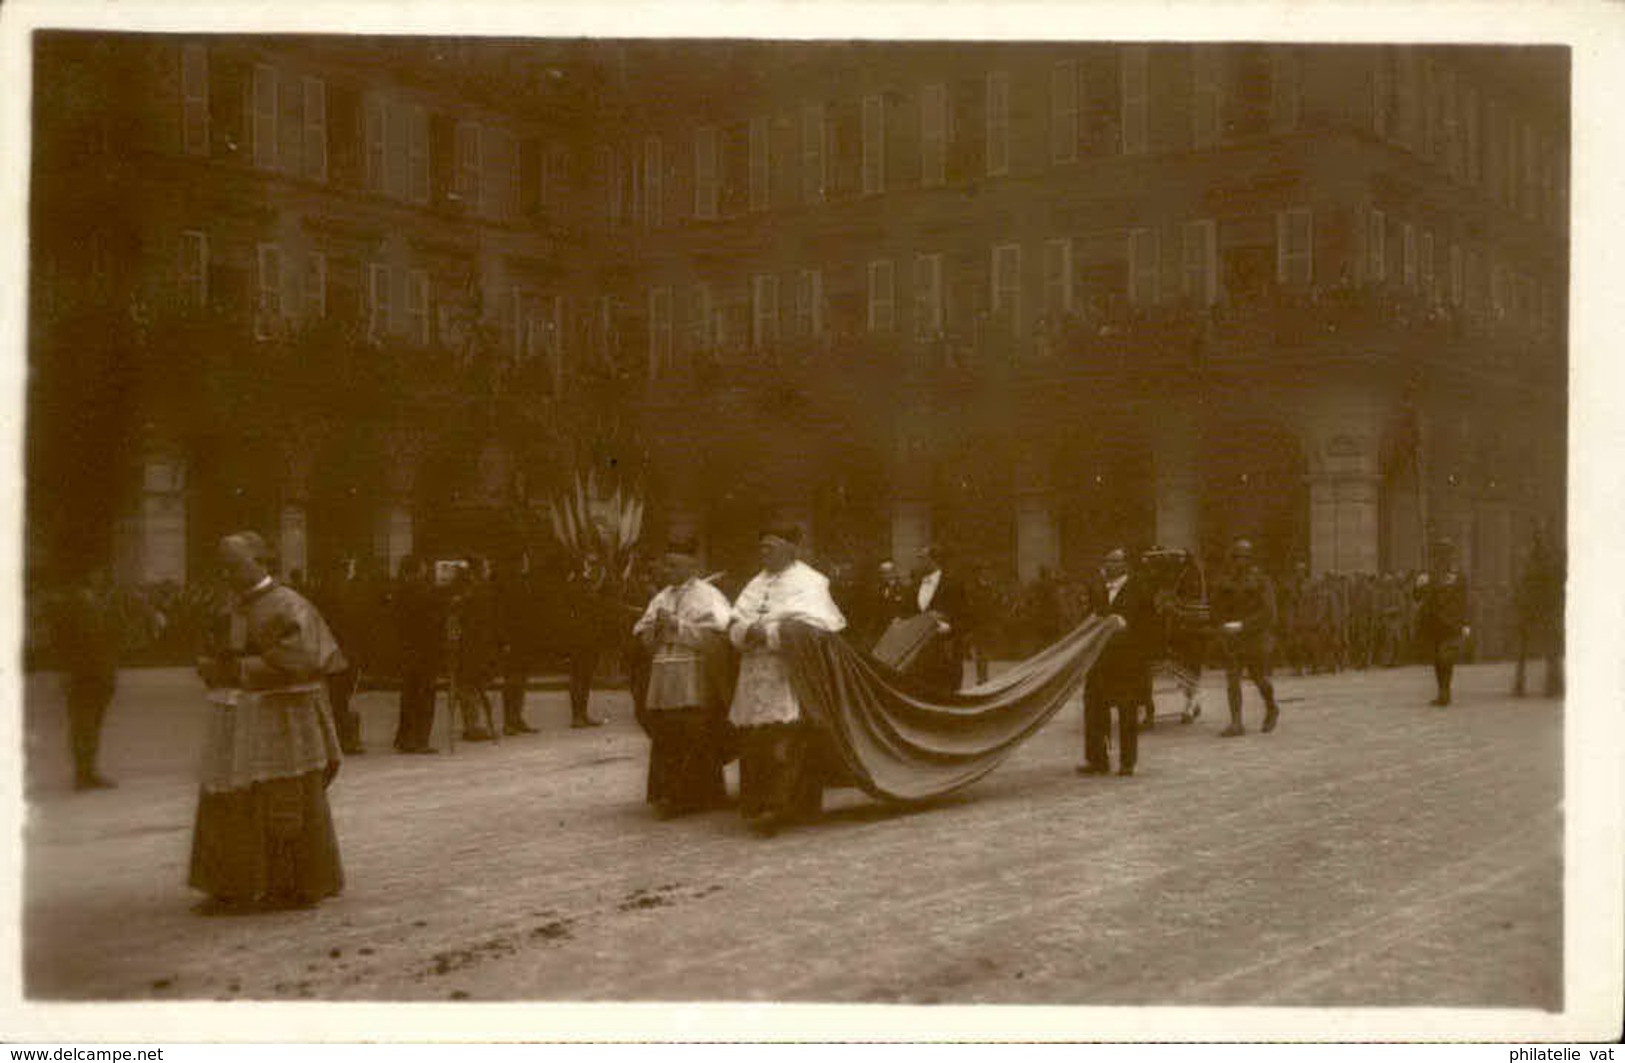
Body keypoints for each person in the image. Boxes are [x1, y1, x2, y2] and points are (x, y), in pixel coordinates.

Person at [189, 532, 345, 913]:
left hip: (281, 717)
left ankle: (291, 885)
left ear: (262, 561)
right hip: (236, 715)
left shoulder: (291, 605)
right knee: (228, 793)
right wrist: (208, 665)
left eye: (235, 565)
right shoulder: (228, 605)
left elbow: (303, 658)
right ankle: (232, 884)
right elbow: (211, 647)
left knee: (282, 795)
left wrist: (237, 668)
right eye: (222, 566)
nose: (227, 573)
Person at [728, 525, 847, 837]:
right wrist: (743, 633)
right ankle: (758, 804)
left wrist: (768, 633)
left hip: (791, 675)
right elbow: (734, 620)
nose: (763, 553)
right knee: (756, 739)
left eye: (770, 547)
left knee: (788, 740)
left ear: (791, 550)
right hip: (754, 672)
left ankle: (784, 807)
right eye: (762, 547)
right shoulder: (756, 582)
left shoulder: (811, 582)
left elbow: (817, 630)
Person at [632, 537, 735, 819]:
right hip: (664, 678)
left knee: (696, 732)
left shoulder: (708, 595)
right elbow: (642, 632)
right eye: (667, 564)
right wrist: (651, 630)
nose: (668, 570)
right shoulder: (661, 596)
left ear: (692, 566)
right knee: (667, 734)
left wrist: (677, 625)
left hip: (695, 676)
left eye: (675, 564)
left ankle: (697, 796)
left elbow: (718, 637)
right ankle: (670, 793)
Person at [1077, 547, 1156, 777]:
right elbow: (1090, 617)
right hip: (1099, 659)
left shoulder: (1140, 589)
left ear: (1125, 565)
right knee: (1093, 708)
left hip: (1127, 660)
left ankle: (1127, 762)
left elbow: (1149, 625)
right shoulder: (1098, 589)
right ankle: (1097, 760)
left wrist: (1127, 627)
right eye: (1107, 560)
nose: (1109, 565)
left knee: (1126, 711)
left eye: (1115, 561)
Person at [54, 566, 121, 790]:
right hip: (81, 673)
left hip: (101, 673)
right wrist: (65, 670)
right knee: (83, 724)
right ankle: (82, 774)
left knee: (93, 724)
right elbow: (63, 640)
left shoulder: (103, 601)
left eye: (101, 573)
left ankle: (89, 771)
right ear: (87, 575)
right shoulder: (73, 602)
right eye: (95, 572)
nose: (99, 576)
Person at [1211, 538, 1281, 737]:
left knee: (1259, 679)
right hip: (1233, 639)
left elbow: (1269, 612)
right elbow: (1217, 607)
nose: (1240, 561)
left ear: (1251, 559)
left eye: (1244, 557)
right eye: (1236, 557)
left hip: (1255, 638)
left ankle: (1271, 706)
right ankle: (1236, 723)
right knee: (1232, 679)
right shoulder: (1225, 581)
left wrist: (1243, 625)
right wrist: (1222, 625)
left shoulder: (1261, 581)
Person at [312, 556, 369, 755]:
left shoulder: (323, 591)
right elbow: (352, 623)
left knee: (334, 697)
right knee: (342, 697)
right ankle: (344, 739)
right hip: (343, 651)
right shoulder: (343, 593)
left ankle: (334, 738)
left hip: (330, 650)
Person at [393, 554, 445, 753]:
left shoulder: (400, 591)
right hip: (425, 651)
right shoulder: (424, 591)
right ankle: (421, 739)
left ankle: (405, 737)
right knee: (424, 695)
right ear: (418, 570)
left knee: (409, 695)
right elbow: (435, 618)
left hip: (407, 651)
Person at [448, 558, 501, 742]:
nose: (489, 570)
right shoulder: (477, 591)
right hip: (475, 644)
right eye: (487, 567)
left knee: (470, 685)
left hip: (472, 643)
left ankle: (471, 723)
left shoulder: (470, 590)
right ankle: (472, 725)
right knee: (472, 685)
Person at [1415, 539, 1470, 707]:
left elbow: (1465, 601)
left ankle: (1445, 692)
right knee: (1437, 660)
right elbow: (1417, 598)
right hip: (1434, 624)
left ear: (1450, 555)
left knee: (1445, 658)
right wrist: (1419, 585)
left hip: (1451, 623)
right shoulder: (1430, 575)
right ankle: (1442, 691)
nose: (1442, 558)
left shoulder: (1458, 576)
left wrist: (1466, 623)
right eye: (1439, 554)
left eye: (1445, 554)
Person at [1512, 528, 1564, 698]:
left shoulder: (1548, 560)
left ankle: (1551, 683)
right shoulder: (1544, 560)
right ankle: (1546, 683)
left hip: (1544, 605)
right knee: (1539, 646)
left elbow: (1554, 583)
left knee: (1549, 647)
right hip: (1536, 606)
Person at [909, 544, 968, 693]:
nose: (918, 562)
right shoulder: (915, 583)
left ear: (933, 560)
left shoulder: (953, 583)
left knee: (946, 691)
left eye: (921, 558)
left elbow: (965, 616)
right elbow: (908, 611)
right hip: (920, 650)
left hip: (946, 647)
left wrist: (949, 627)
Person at [493, 555, 541, 735]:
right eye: (523, 560)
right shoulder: (509, 585)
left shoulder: (526, 583)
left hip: (524, 640)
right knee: (512, 680)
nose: (526, 563)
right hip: (512, 641)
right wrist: (504, 640)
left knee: (521, 680)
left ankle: (517, 717)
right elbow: (502, 615)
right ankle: (509, 721)